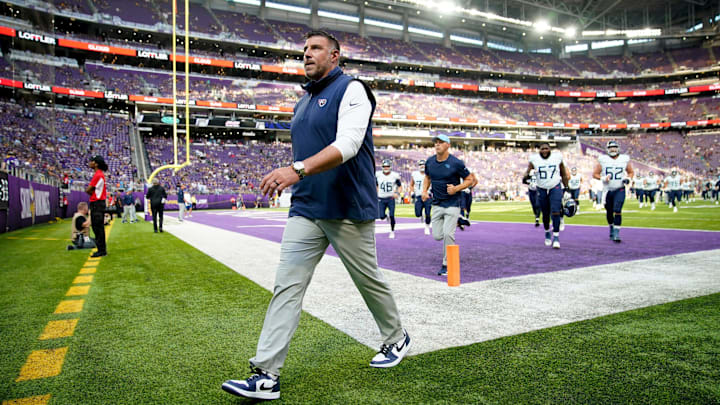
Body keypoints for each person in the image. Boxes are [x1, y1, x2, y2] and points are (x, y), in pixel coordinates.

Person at [222, 30, 409, 401]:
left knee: (367, 279)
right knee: (286, 287)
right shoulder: (301, 102)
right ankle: (266, 374)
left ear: (335, 56)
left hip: (346, 206)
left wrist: (296, 170)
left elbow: (349, 144)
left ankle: (396, 337)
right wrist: (299, 176)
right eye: (304, 49)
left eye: (315, 48)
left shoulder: (353, 90)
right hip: (306, 207)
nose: (306, 54)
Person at [422, 134, 475, 275]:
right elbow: (427, 177)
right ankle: (458, 220)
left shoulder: (456, 163)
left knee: (447, 235)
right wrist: (424, 191)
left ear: (448, 145)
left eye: (440, 142)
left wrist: (456, 188)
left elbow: (470, 180)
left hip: (452, 203)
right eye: (435, 142)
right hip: (437, 204)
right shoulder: (430, 162)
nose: (437, 145)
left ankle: (446, 265)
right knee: (437, 236)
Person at [523, 142, 569, 249]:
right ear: (539, 150)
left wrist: (567, 188)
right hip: (541, 188)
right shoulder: (534, 159)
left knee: (556, 211)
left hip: (555, 186)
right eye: (542, 149)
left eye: (546, 148)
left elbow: (563, 173)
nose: (544, 151)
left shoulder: (557, 157)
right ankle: (547, 231)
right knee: (545, 213)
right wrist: (526, 177)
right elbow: (527, 172)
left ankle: (556, 237)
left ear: (550, 149)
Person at [593, 140, 634, 242]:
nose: (613, 149)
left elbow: (630, 172)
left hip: (619, 188)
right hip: (607, 190)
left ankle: (616, 233)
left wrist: (628, 179)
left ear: (618, 148)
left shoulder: (624, 159)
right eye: (611, 147)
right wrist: (603, 178)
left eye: (614, 147)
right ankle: (611, 227)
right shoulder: (603, 159)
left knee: (618, 210)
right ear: (607, 149)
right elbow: (595, 174)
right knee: (609, 212)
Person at [86, 155, 108, 257]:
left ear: (96, 164)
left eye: (92, 161)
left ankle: (102, 250)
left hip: (97, 203)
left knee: (97, 227)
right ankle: (101, 249)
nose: (90, 163)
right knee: (98, 227)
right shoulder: (99, 174)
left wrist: (93, 194)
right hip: (99, 203)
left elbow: (88, 190)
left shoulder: (98, 175)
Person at [376, 159, 402, 238]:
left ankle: (392, 231)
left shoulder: (394, 175)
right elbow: (376, 185)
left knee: (392, 215)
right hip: (381, 198)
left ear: (390, 167)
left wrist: (397, 193)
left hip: (390, 198)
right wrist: (377, 193)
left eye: (387, 166)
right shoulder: (378, 174)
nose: (386, 168)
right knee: (381, 216)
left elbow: (400, 186)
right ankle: (385, 216)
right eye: (384, 166)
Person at [410, 159, 432, 235]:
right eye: (420, 164)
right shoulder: (415, 174)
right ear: (418, 166)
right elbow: (411, 184)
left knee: (428, 213)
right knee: (417, 214)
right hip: (418, 196)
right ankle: (421, 215)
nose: (422, 166)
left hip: (427, 196)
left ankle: (427, 227)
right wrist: (412, 192)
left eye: (423, 164)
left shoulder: (429, 174)